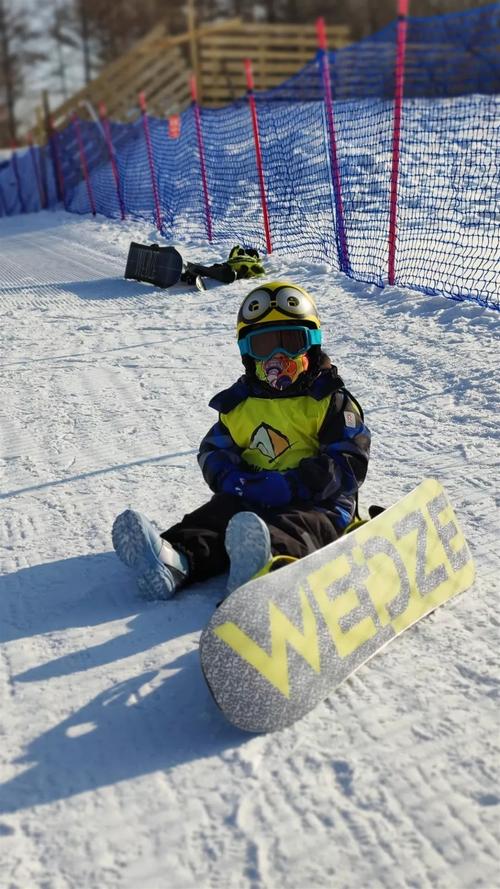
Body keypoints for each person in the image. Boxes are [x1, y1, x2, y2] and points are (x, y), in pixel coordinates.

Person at [112, 281, 371, 599]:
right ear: (248, 353)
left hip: (320, 503)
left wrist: (294, 485)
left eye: (291, 342)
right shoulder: (240, 405)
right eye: (264, 347)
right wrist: (230, 478)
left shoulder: (330, 401)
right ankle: (174, 559)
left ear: (312, 344)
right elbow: (213, 450)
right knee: (217, 516)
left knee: (300, 527)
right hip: (253, 496)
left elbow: (348, 462)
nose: (278, 356)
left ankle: (265, 563)